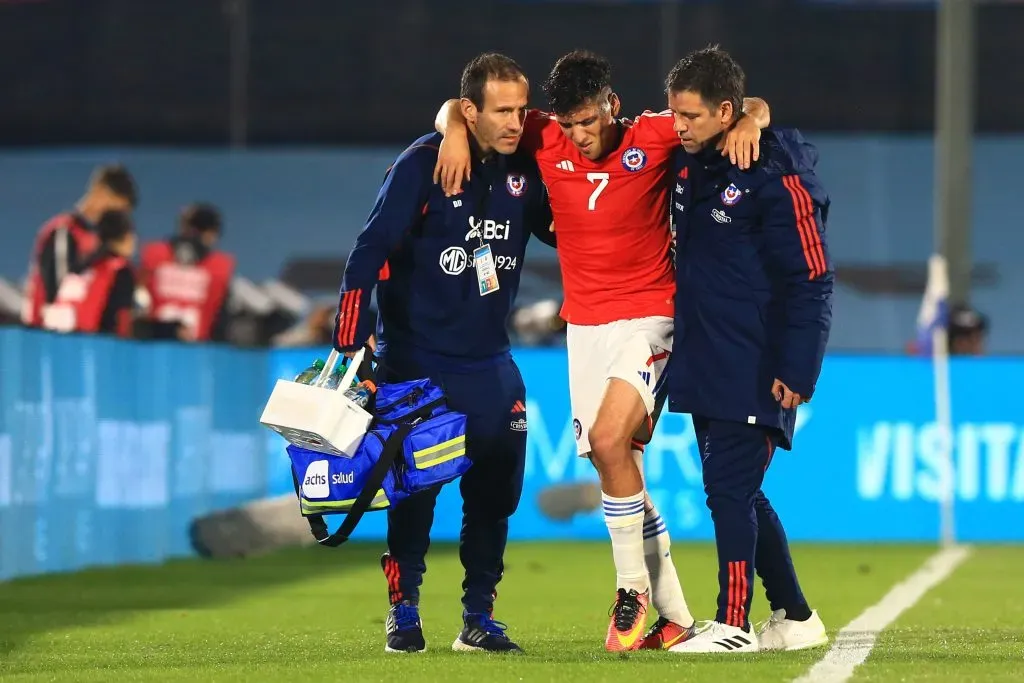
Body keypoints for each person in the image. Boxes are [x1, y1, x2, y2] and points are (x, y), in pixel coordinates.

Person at [434, 49, 769, 652]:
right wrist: (455, 131)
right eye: (568, 125)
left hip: (651, 316)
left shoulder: (651, 136)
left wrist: (749, 120)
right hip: (584, 327)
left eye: (588, 121)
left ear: (611, 106)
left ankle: (631, 588)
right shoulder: (541, 136)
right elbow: (460, 112)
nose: (579, 136)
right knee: (617, 470)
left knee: (613, 441)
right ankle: (673, 620)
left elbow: (748, 107)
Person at [332, 52, 555, 655]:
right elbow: (367, 252)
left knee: (495, 494)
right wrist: (351, 339)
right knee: (414, 491)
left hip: (490, 363)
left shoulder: (525, 170)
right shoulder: (420, 166)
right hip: (418, 363)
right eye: (501, 110)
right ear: (469, 110)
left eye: (520, 109)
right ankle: (403, 612)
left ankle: (478, 618)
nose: (514, 120)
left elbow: (565, 231)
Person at [662, 46, 833, 653]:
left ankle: (731, 624)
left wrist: (798, 367)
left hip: (759, 363)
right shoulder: (690, 162)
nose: (679, 126)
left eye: (691, 116)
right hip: (707, 360)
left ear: (725, 110)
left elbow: (811, 278)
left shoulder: (777, 172)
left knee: (727, 491)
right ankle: (795, 617)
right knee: (740, 489)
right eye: (674, 113)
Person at [22, 164, 138, 328]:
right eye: (117, 208)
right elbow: (57, 295)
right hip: (48, 336)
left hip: (80, 339)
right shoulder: (63, 231)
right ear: (101, 192)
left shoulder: (99, 241)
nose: (118, 216)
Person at [139, 202, 235, 342]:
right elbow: (221, 324)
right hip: (196, 354)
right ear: (211, 234)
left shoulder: (154, 256)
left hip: (153, 351)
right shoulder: (218, 268)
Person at [41, 210, 138, 338]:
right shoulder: (120, 270)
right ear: (126, 237)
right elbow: (122, 321)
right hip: (95, 346)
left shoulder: (82, 266)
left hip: (58, 342)